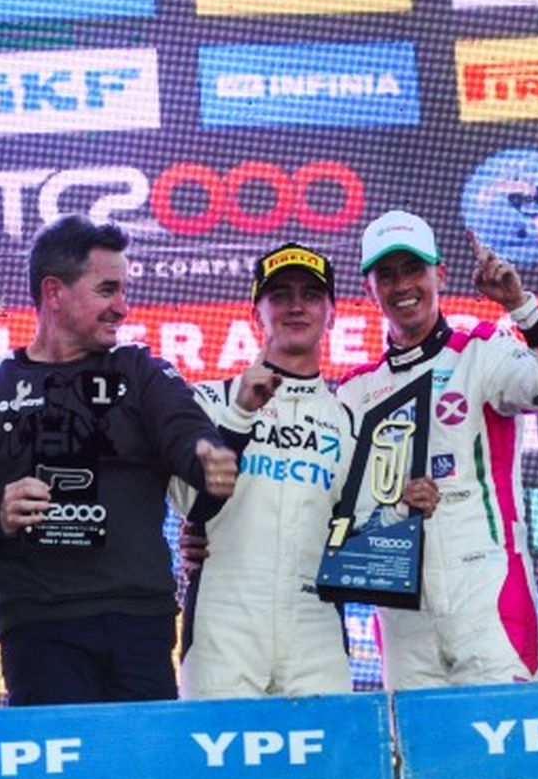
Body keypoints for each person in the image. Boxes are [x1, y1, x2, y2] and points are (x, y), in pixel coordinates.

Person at [0, 214, 237, 706]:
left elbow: (186, 433)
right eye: (107, 290)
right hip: (36, 626)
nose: (122, 307)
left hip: (138, 619)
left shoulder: (141, 371)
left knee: (145, 775)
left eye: (124, 291)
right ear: (54, 292)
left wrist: (208, 455)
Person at [335, 209, 538, 690]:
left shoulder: (481, 351)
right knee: (416, 759)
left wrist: (520, 306)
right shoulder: (355, 391)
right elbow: (335, 507)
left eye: (413, 269)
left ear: (440, 274)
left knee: (508, 750)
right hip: (401, 617)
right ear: (369, 288)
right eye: (386, 275)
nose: (401, 286)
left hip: (487, 597)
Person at [173, 243, 440, 698]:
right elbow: (190, 502)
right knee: (217, 765)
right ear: (255, 312)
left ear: (332, 313)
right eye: (279, 294)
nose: (296, 306)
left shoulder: (351, 420)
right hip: (224, 623)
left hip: (315, 628)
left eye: (311, 295)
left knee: (326, 768)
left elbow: (357, 530)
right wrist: (240, 417)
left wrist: (405, 510)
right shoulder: (208, 401)